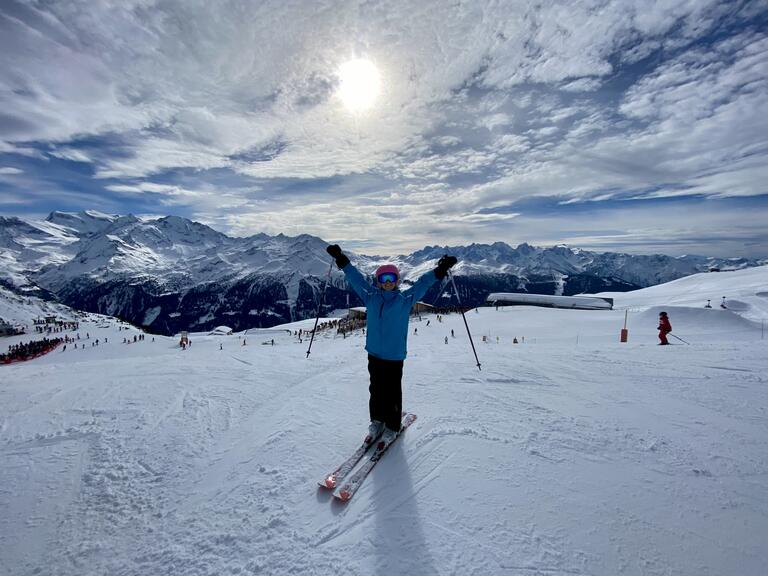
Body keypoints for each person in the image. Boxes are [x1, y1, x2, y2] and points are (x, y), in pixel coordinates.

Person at [326, 244, 457, 449]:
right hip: (374, 353)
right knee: (376, 390)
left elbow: (424, 283)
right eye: (383, 279)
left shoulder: (405, 299)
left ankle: (392, 427)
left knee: (392, 392)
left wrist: (440, 270)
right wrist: (341, 258)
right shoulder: (370, 296)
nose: (387, 283)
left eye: (391, 279)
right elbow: (355, 278)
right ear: (379, 281)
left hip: (394, 356)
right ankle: (377, 421)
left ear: (397, 281)